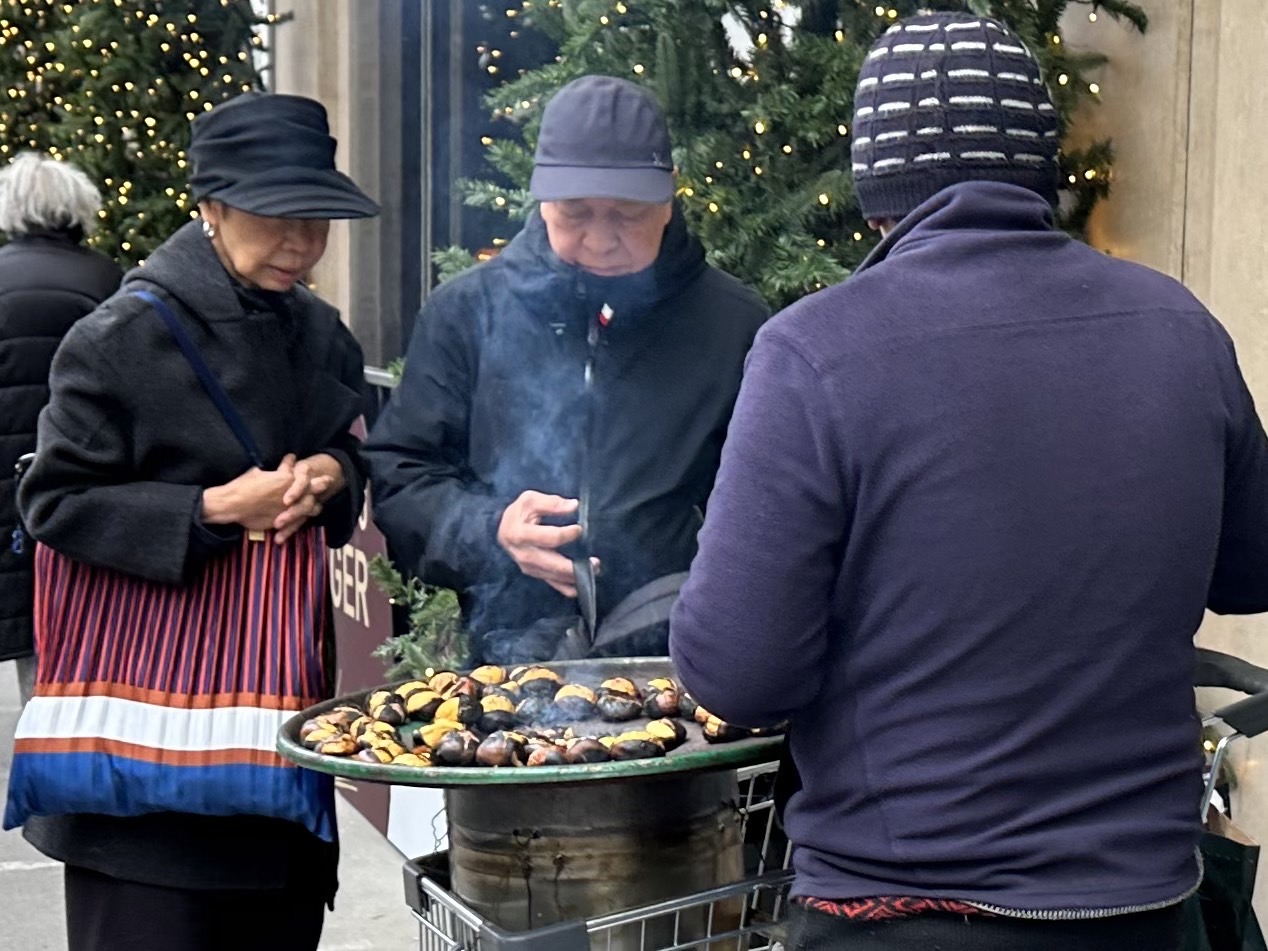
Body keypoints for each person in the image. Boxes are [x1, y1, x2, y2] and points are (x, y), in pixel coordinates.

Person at [671, 11, 1268, 951]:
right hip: (1147, 910)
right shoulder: (1179, 327)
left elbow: (740, 673)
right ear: (1037, 170)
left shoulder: (815, 351)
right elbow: (1251, 571)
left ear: (879, 194)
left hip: (905, 913)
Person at [14, 92, 377, 951]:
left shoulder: (322, 334)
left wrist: (333, 473)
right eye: (275, 216)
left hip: (274, 734)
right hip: (141, 773)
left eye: (317, 217)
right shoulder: (121, 337)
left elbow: (353, 454)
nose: (302, 241)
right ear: (209, 206)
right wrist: (213, 509)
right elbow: (53, 502)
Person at [364, 75, 769, 665]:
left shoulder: (735, 323)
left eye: (628, 214)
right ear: (541, 199)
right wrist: (492, 530)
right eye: (576, 213)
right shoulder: (466, 311)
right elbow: (401, 478)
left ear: (670, 197)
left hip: (684, 660)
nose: (602, 240)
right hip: (512, 665)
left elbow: (769, 504)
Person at [0, 152, 121, 704]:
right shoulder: (107, 281)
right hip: (82, 477)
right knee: (67, 618)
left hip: (8, 480)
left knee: (20, 616)